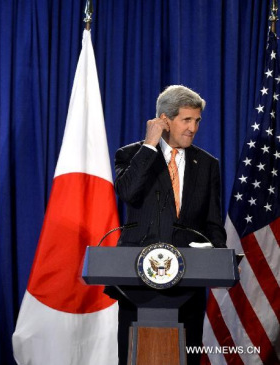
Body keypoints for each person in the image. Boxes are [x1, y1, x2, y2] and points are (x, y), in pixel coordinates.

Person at [112, 85, 227, 364]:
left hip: (189, 285)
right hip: (137, 283)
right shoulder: (131, 155)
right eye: (186, 120)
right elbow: (127, 192)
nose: (193, 128)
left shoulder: (208, 164)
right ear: (164, 120)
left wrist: (219, 257)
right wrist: (150, 146)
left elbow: (213, 223)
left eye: (197, 120)